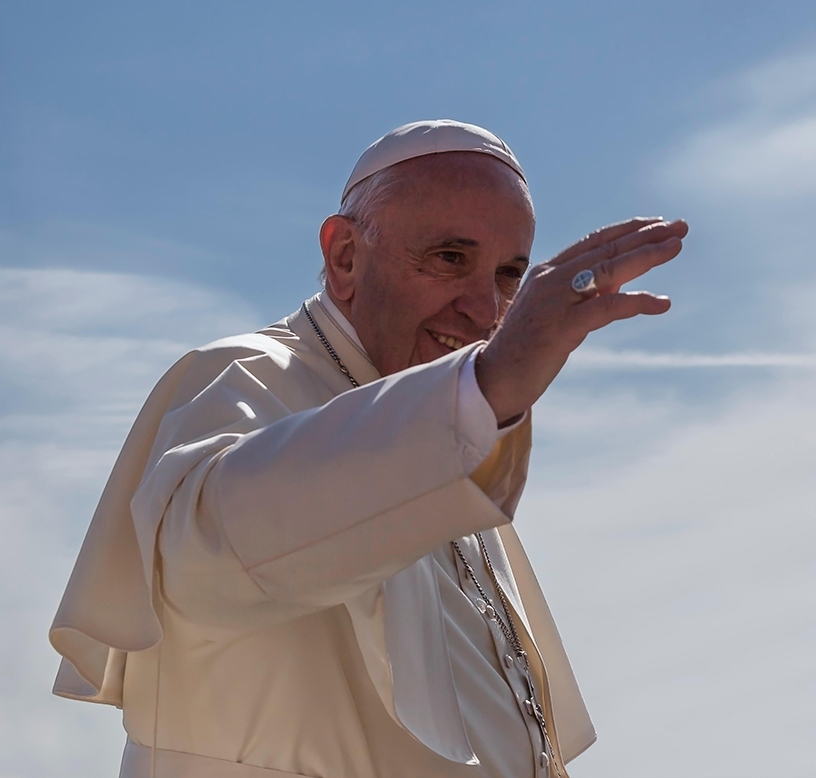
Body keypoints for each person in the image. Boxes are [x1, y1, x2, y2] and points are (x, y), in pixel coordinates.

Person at [49, 119, 688, 778]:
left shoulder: (458, 429)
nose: (485, 309)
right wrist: (487, 389)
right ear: (345, 255)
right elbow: (204, 558)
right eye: (449, 258)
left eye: (508, 275)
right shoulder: (243, 376)